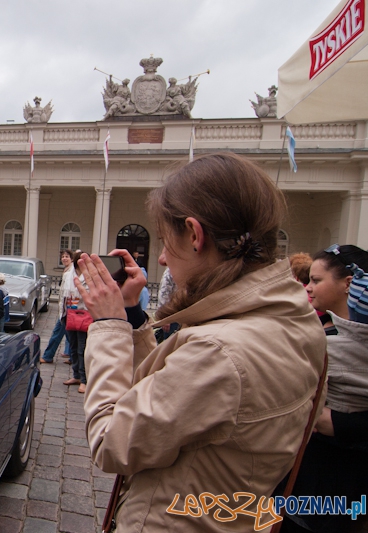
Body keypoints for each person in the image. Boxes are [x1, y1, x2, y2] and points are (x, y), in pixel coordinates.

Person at [79, 153, 326, 532]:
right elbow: (175, 391)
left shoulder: (220, 352)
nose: (161, 257)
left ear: (195, 234)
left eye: (165, 240)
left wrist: (109, 326)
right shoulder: (296, 319)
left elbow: (112, 440)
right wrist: (130, 315)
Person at [281, 245, 368, 533]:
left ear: (348, 284)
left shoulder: (341, 345)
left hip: (335, 485)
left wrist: (342, 424)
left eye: (316, 280)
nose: (307, 287)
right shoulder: (321, 328)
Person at [40, 250, 75, 364]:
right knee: (70, 335)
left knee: (57, 333)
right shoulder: (67, 270)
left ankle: (47, 356)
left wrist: (64, 310)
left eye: (67, 257)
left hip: (67, 309)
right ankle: (74, 358)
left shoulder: (71, 272)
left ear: (72, 259)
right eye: (63, 257)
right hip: (65, 309)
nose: (64, 259)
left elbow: (68, 292)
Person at [63, 252, 88, 394]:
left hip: (84, 314)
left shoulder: (89, 276)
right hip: (69, 313)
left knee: (82, 348)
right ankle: (76, 375)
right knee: (73, 346)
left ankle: (84, 379)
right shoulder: (68, 275)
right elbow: (63, 295)